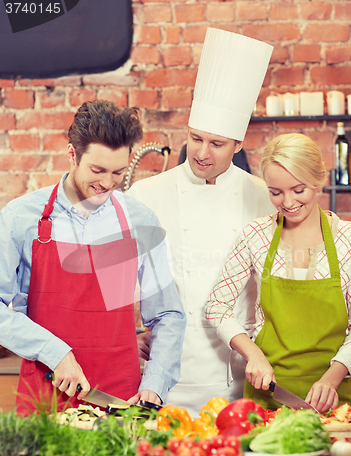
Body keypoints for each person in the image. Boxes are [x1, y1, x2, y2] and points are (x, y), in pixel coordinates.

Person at [0, 100, 186, 414]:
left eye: (117, 172)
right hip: (45, 396)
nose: (107, 184)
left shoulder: (139, 221)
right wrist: (54, 352)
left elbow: (168, 315)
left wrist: (155, 383)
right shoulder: (22, 217)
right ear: (72, 154)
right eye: (97, 170)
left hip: (118, 400)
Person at [128, 28, 274, 416]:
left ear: (238, 145)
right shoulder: (146, 195)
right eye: (195, 139)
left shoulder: (263, 195)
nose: (202, 153)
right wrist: (132, 331)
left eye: (217, 143)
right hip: (166, 374)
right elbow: (118, 279)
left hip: (237, 371)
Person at [206, 133, 351, 414]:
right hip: (269, 394)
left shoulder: (347, 240)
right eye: (276, 192)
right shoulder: (255, 235)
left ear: (318, 180)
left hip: (338, 398)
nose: (287, 202)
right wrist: (253, 354)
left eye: (298, 190)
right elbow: (216, 307)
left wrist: (331, 378)